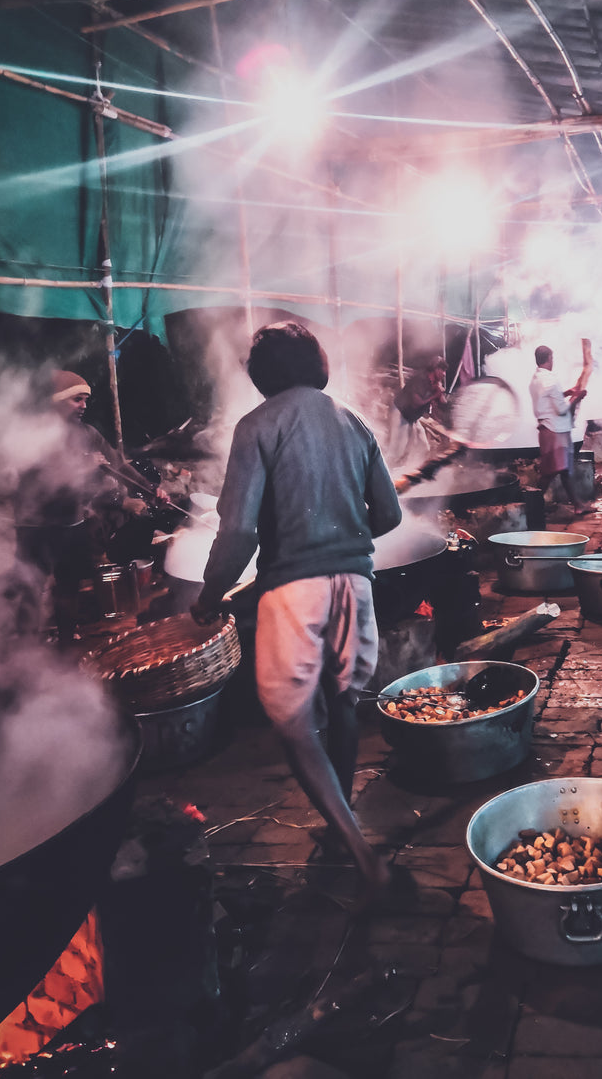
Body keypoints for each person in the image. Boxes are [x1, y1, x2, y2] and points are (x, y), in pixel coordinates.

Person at [190, 322, 403, 906]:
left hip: (293, 590)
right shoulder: (351, 421)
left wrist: (210, 597)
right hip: (355, 584)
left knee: (291, 724)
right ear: (316, 363)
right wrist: (346, 527)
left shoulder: (257, 425)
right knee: (343, 701)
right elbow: (388, 515)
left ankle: (360, 852)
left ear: (260, 375)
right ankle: (345, 819)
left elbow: (237, 532)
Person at [13, 369, 160, 641]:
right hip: (37, 526)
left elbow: (119, 465)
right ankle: (25, 651)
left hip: (71, 523)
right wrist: (82, 467)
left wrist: (151, 489)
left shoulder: (87, 434)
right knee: (31, 588)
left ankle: (68, 642)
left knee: (69, 586)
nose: (83, 406)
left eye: (85, 400)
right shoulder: (36, 434)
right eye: (76, 399)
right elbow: (40, 481)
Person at [529, 345, 592, 517]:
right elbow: (562, 410)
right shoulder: (550, 380)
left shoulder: (536, 379)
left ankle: (578, 505)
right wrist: (577, 397)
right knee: (550, 472)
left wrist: (567, 392)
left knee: (564, 470)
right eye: (552, 358)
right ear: (549, 358)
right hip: (555, 430)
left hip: (549, 428)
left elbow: (547, 400)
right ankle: (531, 505)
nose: (553, 361)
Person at [386, 354, 447, 468]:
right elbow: (416, 403)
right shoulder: (420, 379)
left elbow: (438, 403)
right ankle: (388, 471)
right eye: (442, 370)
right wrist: (435, 395)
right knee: (397, 450)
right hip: (400, 413)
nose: (444, 374)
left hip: (412, 417)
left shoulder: (435, 383)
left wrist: (437, 415)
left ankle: (410, 469)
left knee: (423, 447)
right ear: (436, 369)